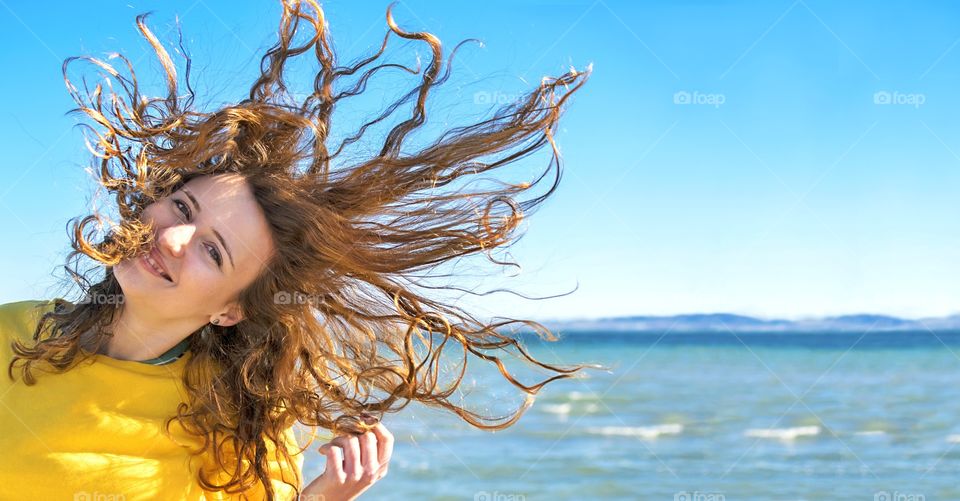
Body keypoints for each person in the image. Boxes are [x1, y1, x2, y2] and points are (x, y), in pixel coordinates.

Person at [1, 0, 595, 499]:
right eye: (182, 208)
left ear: (230, 309)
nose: (173, 239)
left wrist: (322, 497)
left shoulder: (234, 431)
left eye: (214, 253)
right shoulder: (12, 331)